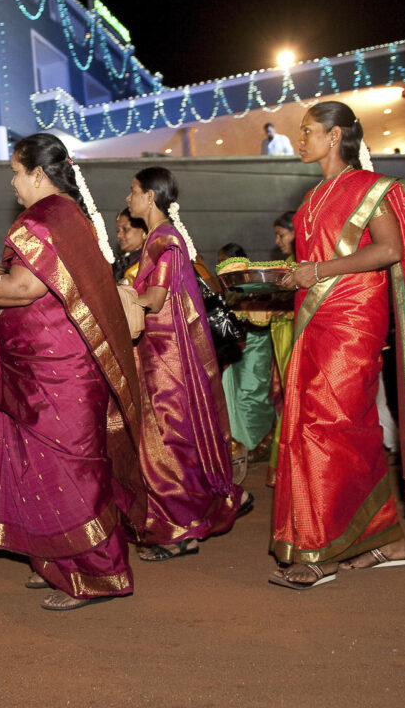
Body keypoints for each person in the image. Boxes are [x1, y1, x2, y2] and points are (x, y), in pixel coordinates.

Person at [0, 133, 147, 611]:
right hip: (47, 368)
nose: (13, 183)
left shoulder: (43, 219)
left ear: (38, 174)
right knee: (42, 469)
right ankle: (58, 561)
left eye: (15, 172)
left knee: (71, 470)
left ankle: (99, 573)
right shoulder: (70, 215)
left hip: (57, 373)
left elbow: (23, 288)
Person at [273, 101, 405, 589]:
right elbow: (316, 260)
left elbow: (390, 249)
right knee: (339, 424)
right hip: (314, 315)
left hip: (354, 318)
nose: (300, 139)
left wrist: (315, 271)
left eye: (308, 130)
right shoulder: (311, 196)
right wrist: (293, 275)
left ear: (336, 136)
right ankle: (384, 538)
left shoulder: (370, 188)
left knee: (328, 422)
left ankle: (325, 550)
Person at [125, 166, 248, 562]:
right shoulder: (158, 239)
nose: (128, 199)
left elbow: (156, 300)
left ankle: (180, 532)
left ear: (150, 197)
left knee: (168, 441)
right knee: (174, 438)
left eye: (133, 192)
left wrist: (115, 298)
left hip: (167, 359)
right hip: (159, 353)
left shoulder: (165, 240)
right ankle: (189, 517)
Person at [215, 241, 275, 482]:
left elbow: (261, 317)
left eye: (222, 261)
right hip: (237, 346)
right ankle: (240, 441)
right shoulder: (229, 287)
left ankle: (256, 442)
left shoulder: (255, 284)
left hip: (255, 344)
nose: (219, 266)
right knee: (236, 395)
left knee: (251, 392)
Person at [265, 211, 297, 487]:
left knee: (297, 401)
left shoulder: (306, 263)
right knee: (287, 402)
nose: (277, 241)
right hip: (281, 337)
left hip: (296, 337)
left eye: (281, 234)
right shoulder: (287, 263)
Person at [113, 208, 148, 284]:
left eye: (125, 229)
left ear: (144, 231)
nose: (119, 235)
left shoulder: (149, 262)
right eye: (118, 231)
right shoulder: (125, 260)